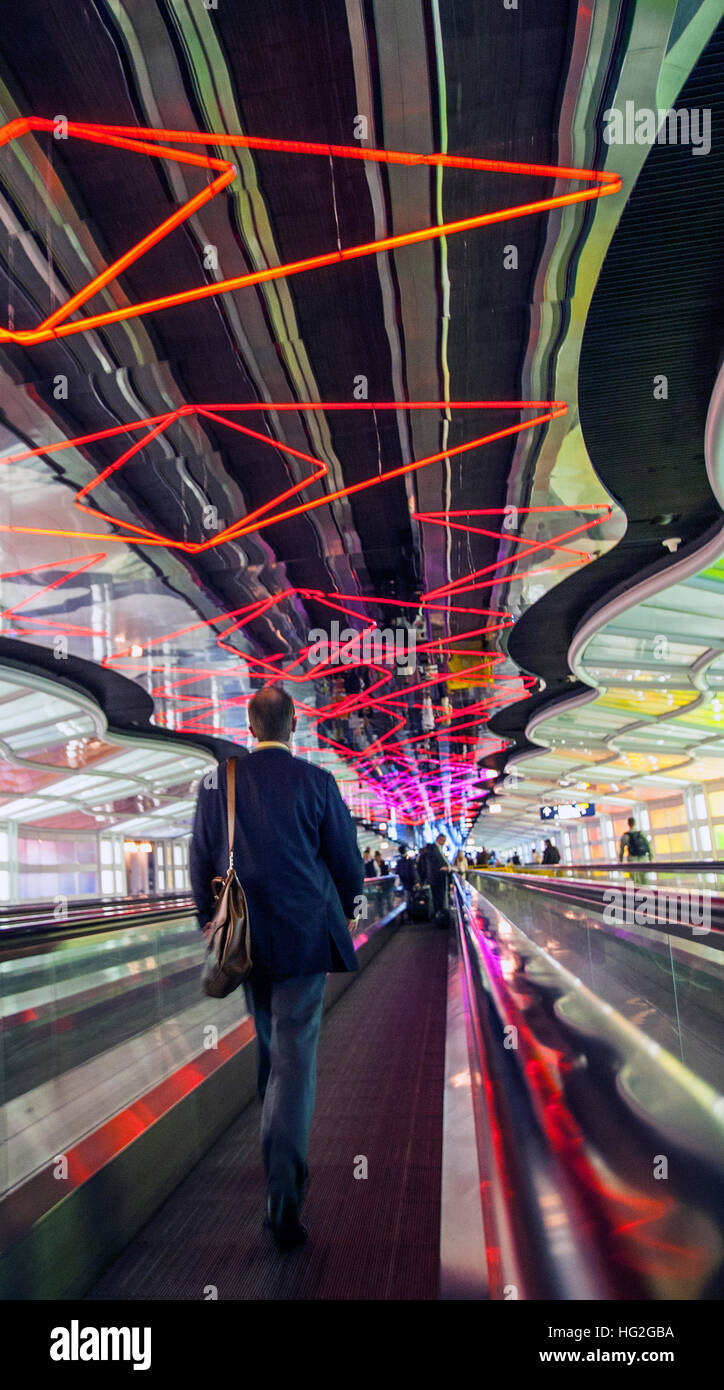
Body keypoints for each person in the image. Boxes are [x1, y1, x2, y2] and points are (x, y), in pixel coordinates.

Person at [190, 685, 363, 1253]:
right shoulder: (317, 783)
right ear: (294, 724)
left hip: (242, 942)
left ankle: (272, 1145)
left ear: (248, 722)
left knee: (269, 1043)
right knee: (293, 1057)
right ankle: (283, 1196)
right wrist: (338, 906)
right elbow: (347, 866)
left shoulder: (218, 782)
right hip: (303, 936)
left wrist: (212, 927)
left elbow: (199, 863)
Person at [420, 833, 450, 925]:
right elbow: (433, 863)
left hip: (438, 878)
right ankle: (439, 918)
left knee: (439, 898)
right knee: (438, 899)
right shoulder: (433, 849)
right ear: (439, 839)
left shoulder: (436, 849)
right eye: (443, 841)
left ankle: (440, 917)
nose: (444, 843)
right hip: (436, 878)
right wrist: (442, 868)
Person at [619, 817, 652, 884]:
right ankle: (646, 893)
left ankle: (637, 893)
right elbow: (648, 845)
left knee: (635, 882)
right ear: (635, 823)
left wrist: (621, 862)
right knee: (644, 880)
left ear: (628, 824)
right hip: (643, 859)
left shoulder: (626, 836)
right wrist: (651, 858)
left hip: (632, 861)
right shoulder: (641, 834)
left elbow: (621, 850)